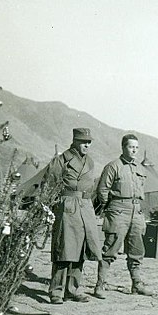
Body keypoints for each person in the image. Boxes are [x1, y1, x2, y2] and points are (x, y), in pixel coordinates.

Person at [42, 128, 102, 304]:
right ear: (75, 141)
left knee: (81, 250)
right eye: (84, 142)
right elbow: (48, 185)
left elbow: (90, 189)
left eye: (89, 142)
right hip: (67, 206)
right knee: (65, 250)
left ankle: (72, 289)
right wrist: (51, 209)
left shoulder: (90, 162)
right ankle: (56, 291)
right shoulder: (61, 161)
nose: (87, 145)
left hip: (85, 208)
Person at [94, 134, 155, 298]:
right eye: (130, 147)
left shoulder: (140, 169)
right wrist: (111, 208)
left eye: (136, 147)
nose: (134, 150)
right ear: (123, 147)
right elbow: (102, 191)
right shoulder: (113, 166)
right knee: (110, 248)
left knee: (137, 249)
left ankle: (137, 284)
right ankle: (100, 285)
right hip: (118, 210)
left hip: (136, 210)